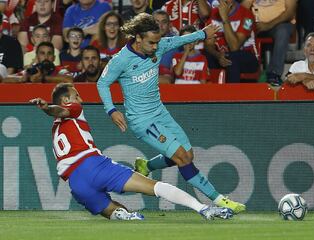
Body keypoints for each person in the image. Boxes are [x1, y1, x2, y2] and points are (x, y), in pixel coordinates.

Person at [97, 13, 245, 214]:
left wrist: (203, 33)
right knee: (183, 158)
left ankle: (147, 165)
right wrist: (111, 110)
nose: (156, 47)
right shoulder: (121, 60)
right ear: (138, 38)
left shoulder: (159, 45)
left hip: (160, 113)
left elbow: (179, 40)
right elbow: (103, 83)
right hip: (142, 121)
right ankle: (219, 199)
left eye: (158, 42)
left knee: (188, 154)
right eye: (151, 42)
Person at [29, 83, 233, 221]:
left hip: (75, 183)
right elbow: (60, 110)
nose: (79, 98)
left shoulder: (55, 128)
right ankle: (203, 208)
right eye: (75, 95)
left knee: (114, 212)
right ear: (66, 100)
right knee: (155, 187)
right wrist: (47, 107)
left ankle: (123, 215)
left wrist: (48, 109)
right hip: (93, 166)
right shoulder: (73, 110)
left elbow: (56, 113)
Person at [204, 0, 258, 83]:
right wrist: (218, 55)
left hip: (247, 57)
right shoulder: (213, 14)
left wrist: (225, 18)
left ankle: (231, 94)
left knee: (232, 58)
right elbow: (208, 44)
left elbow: (234, 47)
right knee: (205, 56)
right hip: (222, 55)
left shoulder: (248, 16)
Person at [252, 0, 298, 86]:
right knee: (243, 25)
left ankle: (274, 74)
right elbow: (243, 7)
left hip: (280, 24)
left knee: (283, 31)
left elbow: (290, 12)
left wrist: (268, 25)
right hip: (256, 24)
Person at [153, 9, 178, 83]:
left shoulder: (177, 43)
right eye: (156, 22)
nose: (160, 26)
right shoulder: (143, 43)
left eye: (164, 22)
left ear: (170, 24)